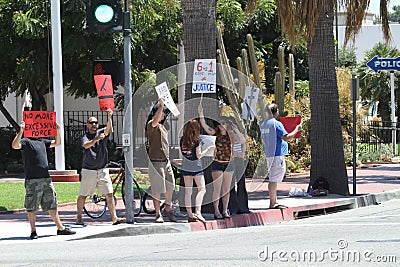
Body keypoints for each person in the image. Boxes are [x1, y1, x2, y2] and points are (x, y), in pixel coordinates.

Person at [12, 120, 76, 239]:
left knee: (52, 204)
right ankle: (33, 231)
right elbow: (15, 146)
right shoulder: (26, 141)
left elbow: (57, 143)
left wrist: (57, 130)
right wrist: (21, 131)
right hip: (32, 180)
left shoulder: (42, 141)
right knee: (32, 206)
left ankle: (60, 228)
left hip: (46, 178)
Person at [76, 108, 126, 225]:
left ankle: (114, 218)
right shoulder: (85, 136)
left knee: (109, 193)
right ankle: (79, 218)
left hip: (102, 169)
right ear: (87, 125)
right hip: (89, 170)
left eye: (96, 123)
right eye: (91, 123)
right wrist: (96, 139)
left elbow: (108, 129)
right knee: (83, 195)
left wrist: (109, 117)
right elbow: (86, 145)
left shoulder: (102, 132)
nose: (94, 124)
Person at [260, 104, 302, 209]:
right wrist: (297, 129)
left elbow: (263, 140)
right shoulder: (276, 124)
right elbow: (286, 137)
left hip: (269, 154)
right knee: (274, 179)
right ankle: (273, 202)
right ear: (276, 112)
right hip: (277, 154)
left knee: (272, 177)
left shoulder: (263, 125)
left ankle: (273, 201)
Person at [198, 104, 234, 219]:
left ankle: (225, 210)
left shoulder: (231, 135)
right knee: (217, 189)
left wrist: (234, 127)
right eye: (220, 123)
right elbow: (205, 126)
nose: (221, 125)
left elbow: (242, 140)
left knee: (226, 189)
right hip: (217, 162)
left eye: (223, 123)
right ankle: (217, 211)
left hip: (229, 164)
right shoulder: (215, 134)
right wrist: (201, 115)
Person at [146, 99, 177, 223]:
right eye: (162, 113)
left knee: (171, 186)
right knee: (158, 189)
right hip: (156, 162)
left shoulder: (163, 127)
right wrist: (161, 106)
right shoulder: (151, 124)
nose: (164, 115)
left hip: (166, 161)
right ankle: (158, 214)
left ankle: (167, 209)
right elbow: (155, 121)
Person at [180, 119, 214, 223]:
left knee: (188, 192)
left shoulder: (182, 139)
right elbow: (198, 155)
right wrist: (208, 150)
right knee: (202, 189)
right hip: (196, 167)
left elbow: (182, 154)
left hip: (186, 167)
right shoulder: (197, 140)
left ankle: (190, 214)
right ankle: (198, 212)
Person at [227, 118, 250, 214]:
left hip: (239, 159)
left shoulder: (239, 134)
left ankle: (243, 206)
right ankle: (233, 207)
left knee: (241, 183)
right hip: (230, 160)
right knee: (231, 185)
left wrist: (236, 130)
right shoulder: (227, 135)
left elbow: (243, 141)